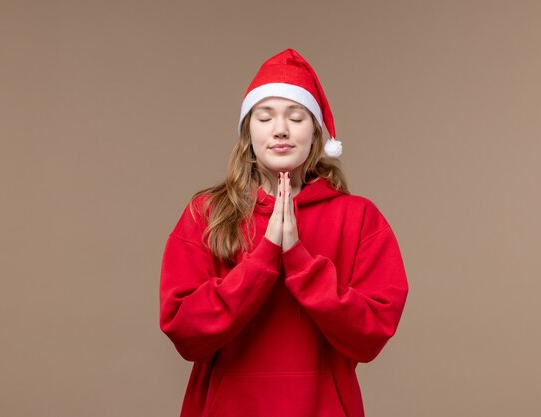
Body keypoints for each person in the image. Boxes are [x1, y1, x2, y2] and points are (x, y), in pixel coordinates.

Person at [159, 48, 409, 417]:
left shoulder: (359, 218)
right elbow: (185, 331)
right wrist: (264, 257)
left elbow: (371, 334)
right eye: (265, 117)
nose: (280, 130)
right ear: (248, 131)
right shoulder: (206, 213)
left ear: (316, 132)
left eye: (296, 117)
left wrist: (299, 259)